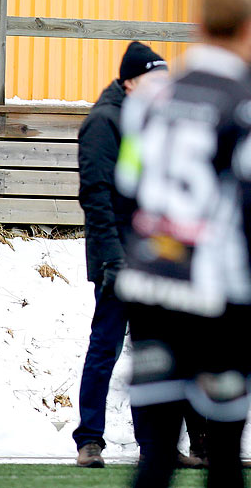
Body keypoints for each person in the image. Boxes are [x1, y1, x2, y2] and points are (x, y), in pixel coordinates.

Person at [114, 0, 251, 487]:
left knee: (157, 454)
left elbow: (126, 187)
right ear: (250, 28)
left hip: (151, 282)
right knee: (225, 455)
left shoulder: (150, 99)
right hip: (215, 291)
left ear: (198, 24)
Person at [73, 41, 169, 468]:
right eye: (155, 79)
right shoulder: (104, 122)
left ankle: (154, 444)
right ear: (131, 82)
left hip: (150, 254)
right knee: (106, 347)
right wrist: (113, 258)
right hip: (117, 255)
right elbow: (96, 196)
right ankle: (89, 439)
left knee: (151, 351)